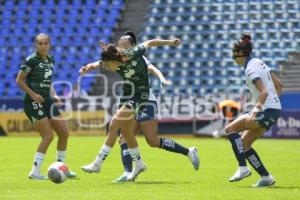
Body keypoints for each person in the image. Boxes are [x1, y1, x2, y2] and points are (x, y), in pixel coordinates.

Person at [79, 37, 199, 182]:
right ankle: (134, 166)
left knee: (121, 127)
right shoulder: (113, 60)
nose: (107, 68)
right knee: (126, 133)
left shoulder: (134, 53)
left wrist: (170, 42)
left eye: (108, 65)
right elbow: (96, 64)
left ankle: (98, 163)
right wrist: (87, 68)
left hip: (143, 96)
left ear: (114, 60)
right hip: (130, 96)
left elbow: (150, 42)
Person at [16, 33, 76, 180]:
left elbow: (48, 80)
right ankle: (35, 172)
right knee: (48, 136)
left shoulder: (50, 59)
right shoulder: (31, 61)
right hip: (33, 102)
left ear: (50, 45)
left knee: (64, 133)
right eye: (40, 43)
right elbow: (19, 81)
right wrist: (32, 94)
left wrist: (54, 94)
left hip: (47, 100)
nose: (43, 46)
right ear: (36, 45)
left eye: (45, 43)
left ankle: (61, 168)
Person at [226, 32, 283, 187]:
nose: (233, 57)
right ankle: (266, 177)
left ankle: (243, 168)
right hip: (274, 109)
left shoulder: (250, 69)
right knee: (243, 145)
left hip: (266, 109)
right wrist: (274, 103)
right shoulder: (259, 62)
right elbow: (279, 85)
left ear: (241, 54)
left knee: (230, 129)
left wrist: (256, 110)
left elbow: (264, 91)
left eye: (234, 54)